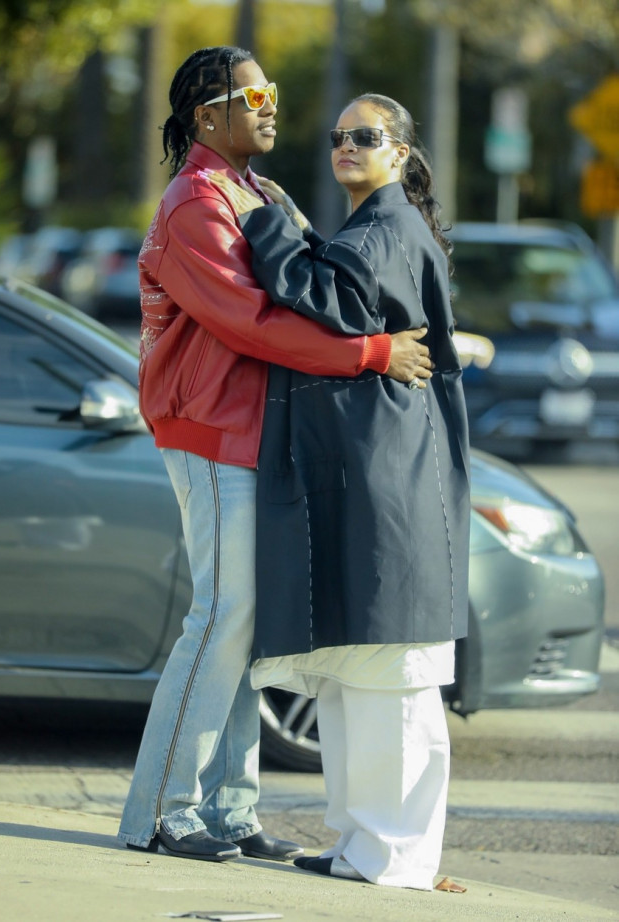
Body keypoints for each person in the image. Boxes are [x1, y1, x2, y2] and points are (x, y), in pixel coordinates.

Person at [117, 48, 434, 865]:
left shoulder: (256, 191)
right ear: (205, 115)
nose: (270, 107)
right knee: (219, 619)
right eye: (251, 95)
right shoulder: (195, 202)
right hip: (209, 432)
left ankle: (229, 812)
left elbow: (319, 286)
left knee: (246, 630)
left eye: (274, 94)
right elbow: (252, 321)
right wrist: (373, 354)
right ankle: (158, 813)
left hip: (257, 435)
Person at [208, 93, 470, 889]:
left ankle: (391, 854)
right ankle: (360, 842)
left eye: (367, 136)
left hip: (391, 476)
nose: (347, 146)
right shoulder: (371, 229)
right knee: (358, 669)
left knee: (390, 672)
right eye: (338, 137)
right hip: (371, 469)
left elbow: (307, 287)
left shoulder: (389, 230)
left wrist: (264, 212)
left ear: (401, 153)